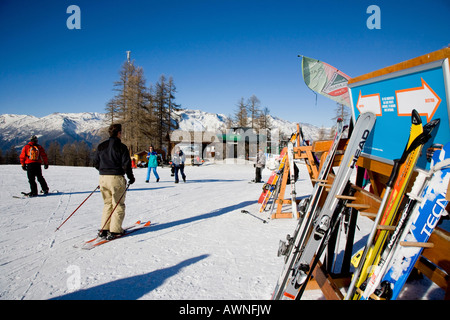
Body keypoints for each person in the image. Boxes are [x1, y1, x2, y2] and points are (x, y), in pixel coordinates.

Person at [93, 123, 135, 240]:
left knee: (107, 204)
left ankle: (104, 229)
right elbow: (126, 165)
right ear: (119, 133)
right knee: (118, 204)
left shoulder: (101, 146)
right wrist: (131, 177)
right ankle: (115, 230)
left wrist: (104, 170)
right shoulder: (122, 147)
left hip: (103, 179)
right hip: (116, 178)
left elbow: (95, 163)